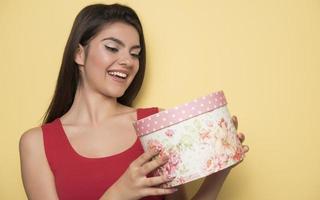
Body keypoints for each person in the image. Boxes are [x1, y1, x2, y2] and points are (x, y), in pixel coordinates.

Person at [19, 3, 249, 200]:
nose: (127, 61)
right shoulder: (37, 144)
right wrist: (118, 194)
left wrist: (219, 172)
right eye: (112, 48)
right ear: (79, 54)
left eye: (135, 53)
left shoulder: (158, 125)